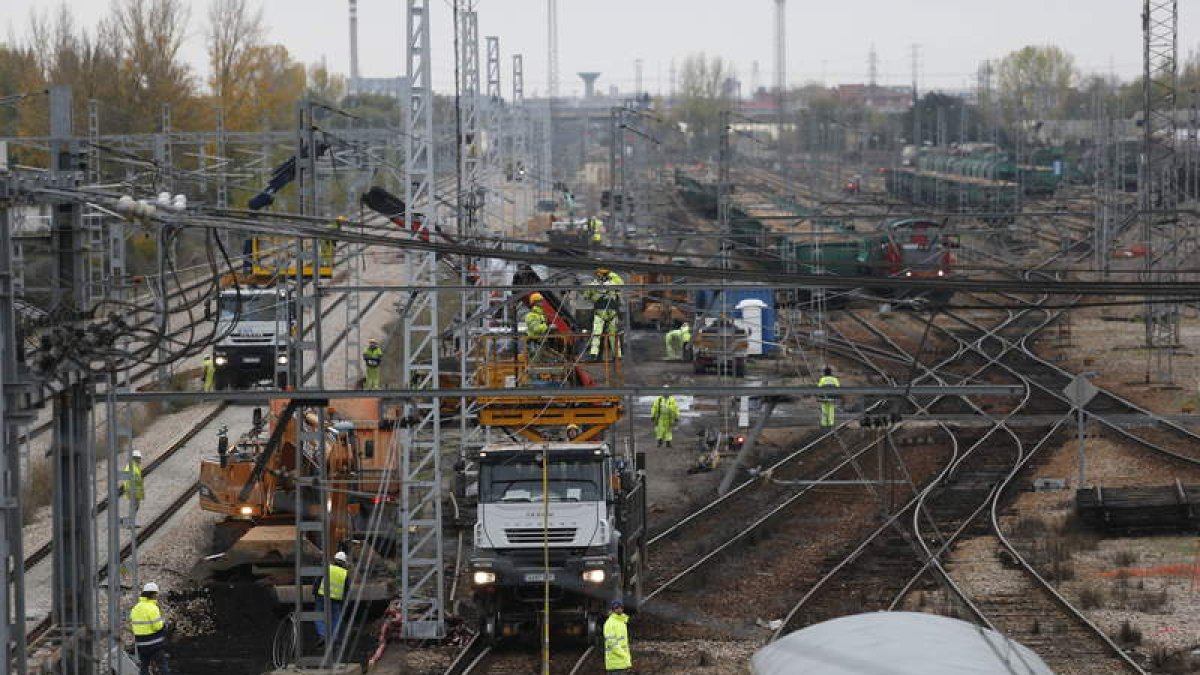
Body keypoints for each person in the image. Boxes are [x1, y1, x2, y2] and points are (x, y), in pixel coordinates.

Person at [130, 581, 169, 675]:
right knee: (162, 666)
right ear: (153, 594)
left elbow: (133, 626)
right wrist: (163, 624)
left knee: (144, 667)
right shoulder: (152, 608)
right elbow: (157, 627)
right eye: (156, 594)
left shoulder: (136, 608)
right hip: (154, 644)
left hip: (141, 644)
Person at [585, 268, 624, 359]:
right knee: (597, 333)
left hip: (611, 313)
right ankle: (594, 354)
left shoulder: (613, 284)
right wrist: (597, 297)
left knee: (612, 335)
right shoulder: (593, 285)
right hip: (600, 313)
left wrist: (612, 276)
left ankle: (617, 355)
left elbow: (621, 285)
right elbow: (586, 296)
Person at [313, 550, 350, 646]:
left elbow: (317, 581)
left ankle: (323, 635)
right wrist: (345, 602)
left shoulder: (327, 568)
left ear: (335, 560)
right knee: (336, 618)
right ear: (344, 563)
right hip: (336, 600)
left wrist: (314, 593)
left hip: (322, 596)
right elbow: (347, 589)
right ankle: (334, 638)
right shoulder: (345, 573)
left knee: (319, 615)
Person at [603, 599, 632, 674]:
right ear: (613, 610)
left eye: (621, 607)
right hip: (615, 663)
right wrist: (624, 655)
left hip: (621, 663)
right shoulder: (610, 623)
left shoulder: (622, 622)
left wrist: (626, 658)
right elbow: (612, 643)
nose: (619, 609)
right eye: (616, 608)